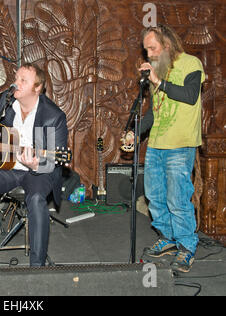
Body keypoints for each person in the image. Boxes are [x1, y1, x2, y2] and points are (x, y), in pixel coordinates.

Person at [0, 63, 69, 282]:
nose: (16, 83)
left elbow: (54, 162)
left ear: (37, 88)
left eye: (23, 80)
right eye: (16, 77)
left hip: (37, 171)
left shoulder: (53, 116)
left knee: (37, 197)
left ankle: (36, 268)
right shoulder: (7, 101)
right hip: (8, 167)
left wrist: (35, 165)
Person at [124, 24, 205, 273]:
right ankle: (169, 238)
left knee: (177, 199)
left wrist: (160, 82)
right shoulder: (157, 71)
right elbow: (153, 112)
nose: (149, 54)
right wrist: (135, 134)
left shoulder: (191, 64)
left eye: (153, 48)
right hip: (157, 145)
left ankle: (187, 247)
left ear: (167, 45)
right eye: (146, 50)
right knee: (155, 197)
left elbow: (190, 95)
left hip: (180, 144)